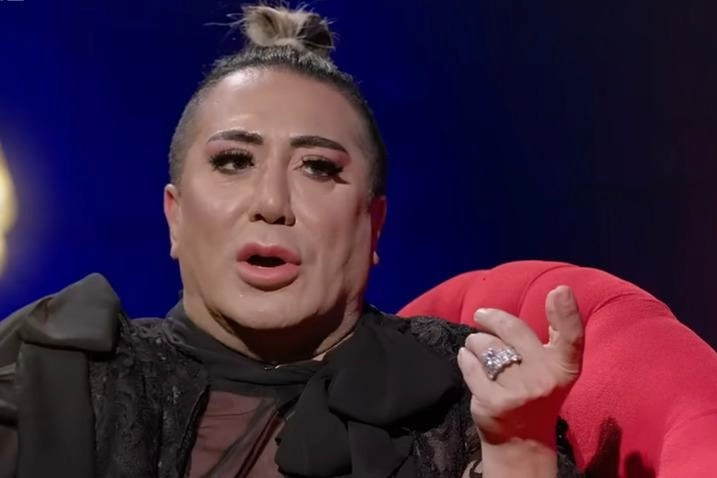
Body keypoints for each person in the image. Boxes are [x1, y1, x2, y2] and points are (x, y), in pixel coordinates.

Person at [0, 5, 585, 477]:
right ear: (175, 216)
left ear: (374, 224)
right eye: (233, 161)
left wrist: (519, 450)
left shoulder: (462, 400)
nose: (272, 203)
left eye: (319, 168)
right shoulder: (53, 375)